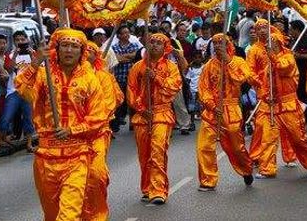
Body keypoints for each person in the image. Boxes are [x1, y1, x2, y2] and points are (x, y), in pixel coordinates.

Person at [15, 28, 107, 220]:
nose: (69, 50)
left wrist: (73, 130)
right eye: (65, 45)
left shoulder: (90, 79)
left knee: (68, 214)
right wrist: (35, 62)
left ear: (81, 52)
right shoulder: (43, 74)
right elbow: (23, 90)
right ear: (56, 48)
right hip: (46, 155)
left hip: (77, 154)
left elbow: (99, 117)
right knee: (52, 214)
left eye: (74, 46)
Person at [246, 20, 307, 178]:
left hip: (288, 104)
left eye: (274, 43)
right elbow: (262, 81)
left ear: (279, 43)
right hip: (270, 105)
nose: (271, 45)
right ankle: (267, 169)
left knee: (298, 137)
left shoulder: (288, 57)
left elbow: (284, 68)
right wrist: (265, 95)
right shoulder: (258, 54)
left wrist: (272, 56)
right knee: (267, 137)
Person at [127, 33, 182, 204]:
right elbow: (131, 90)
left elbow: (174, 87)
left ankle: (158, 190)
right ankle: (147, 188)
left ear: (165, 47)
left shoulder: (171, 67)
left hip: (162, 113)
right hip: (143, 116)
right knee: (144, 154)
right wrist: (141, 109)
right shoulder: (137, 66)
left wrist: (156, 78)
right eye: (152, 42)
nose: (155, 45)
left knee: (158, 151)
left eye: (159, 43)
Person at [196, 34, 255, 191]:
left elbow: (243, 77)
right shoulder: (209, 65)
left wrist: (228, 62)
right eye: (214, 43)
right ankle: (208, 180)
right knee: (204, 146)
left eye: (220, 42)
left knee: (236, 148)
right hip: (212, 111)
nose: (217, 46)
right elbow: (204, 88)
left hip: (231, 110)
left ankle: (246, 169)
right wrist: (212, 105)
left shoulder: (239, 61)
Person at [82, 41, 123, 220]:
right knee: (79, 177)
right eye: (85, 51)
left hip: (98, 132)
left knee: (97, 173)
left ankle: (97, 213)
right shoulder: (69, 77)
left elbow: (109, 103)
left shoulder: (104, 77)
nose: (86, 54)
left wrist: (86, 122)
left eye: (91, 51)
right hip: (74, 137)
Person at [0, 31, 36, 149]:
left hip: (29, 90)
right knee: (6, 117)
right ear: (14, 42)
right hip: (13, 91)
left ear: (27, 40)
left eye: (22, 39)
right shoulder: (10, 55)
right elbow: (8, 70)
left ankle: (29, 143)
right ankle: (1, 139)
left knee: (28, 118)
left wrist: (31, 55)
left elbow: (38, 70)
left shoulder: (33, 53)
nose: (20, 42)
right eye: (17, 40)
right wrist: (15, 55)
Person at [111, 25, 140, 132]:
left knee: (133, 101)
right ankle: (116, 123)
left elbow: (135, 56)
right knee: (119, 102)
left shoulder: (134, 45)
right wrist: (128, 56)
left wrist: (123, 57)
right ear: (118, 35)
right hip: (119, 78)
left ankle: (133, 122)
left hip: (132, 78)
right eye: (124, 33)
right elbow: (117, 59)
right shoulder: (114, 47)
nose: (127, 35)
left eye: (128, 32)